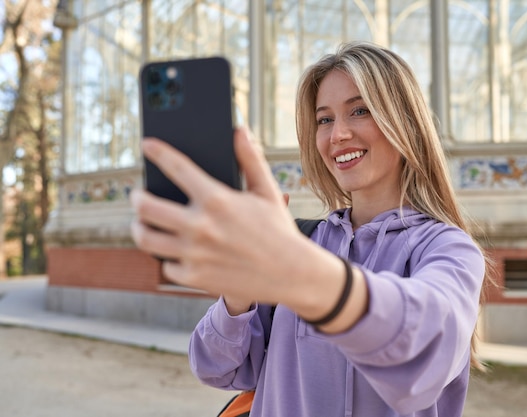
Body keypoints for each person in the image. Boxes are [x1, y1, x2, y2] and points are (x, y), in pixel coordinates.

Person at [131, 41, 488, 417]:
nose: (338, 135)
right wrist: (238, 297)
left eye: (360, 110)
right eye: (324, 119)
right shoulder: (302, 240)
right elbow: (217, 369)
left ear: (406, 122)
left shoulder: (450, 249)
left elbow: (426, 352)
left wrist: (306, 277)